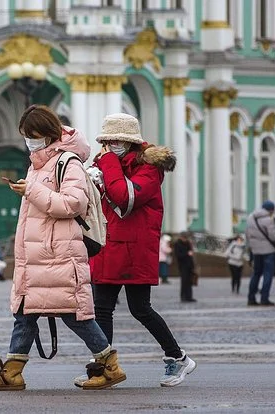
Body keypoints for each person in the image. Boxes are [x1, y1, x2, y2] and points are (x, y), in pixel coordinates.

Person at [0, 105, 126, 391]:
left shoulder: (67, 162)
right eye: (25, 136)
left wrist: (31, 190)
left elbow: (72, 204)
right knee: (24, 312)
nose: (29, 142)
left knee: (74, 315)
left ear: (47, 134)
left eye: (32, 135)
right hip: (38, 255)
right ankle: (13, 371)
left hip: (58, 254)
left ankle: (110, 365)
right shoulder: (37, 164)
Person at [84, 112, 195, 388]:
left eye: (116, 140)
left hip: (135, 249)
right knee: (102, 309)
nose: (111, 145)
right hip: (110, 246)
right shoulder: (111, 164)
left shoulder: (149, 169)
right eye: (108, 140)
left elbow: (125, 198)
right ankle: (104, 368)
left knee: (140, 309)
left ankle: (177, 357)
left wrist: (107, 165)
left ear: (129, 142)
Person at [245, 201, 275, 306]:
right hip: (268, 251)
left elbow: (247, 234)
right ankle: (264, 298)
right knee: (267, 274)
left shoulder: (250, 218)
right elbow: (274, 236)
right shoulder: (268, 220)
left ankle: (251, 298)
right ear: (270, 210)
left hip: (256, 250)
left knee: (256, 274)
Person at [174, 232, 196, 303]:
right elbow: (178, 255)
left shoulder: (188, 243)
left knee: (189, 282)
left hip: (189, 265)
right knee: (184, 281)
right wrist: (187, 253)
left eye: (186, 238)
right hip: (183, 265)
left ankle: (189, 297)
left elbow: (191, 254)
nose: (185, 239)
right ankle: (183, 297)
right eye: (184, 237)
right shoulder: (177, 244)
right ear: (181, 237)